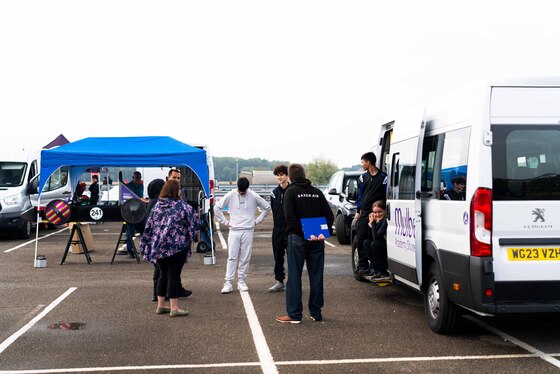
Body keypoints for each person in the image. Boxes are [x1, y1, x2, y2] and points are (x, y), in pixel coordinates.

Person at [275, 163, 334, 324]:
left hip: (298, 239)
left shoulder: (291, 191)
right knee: (316, 276)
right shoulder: (317, 192)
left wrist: (304, 233)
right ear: (304, 174)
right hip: (317, 239)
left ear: (290, 176)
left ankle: (294, 314)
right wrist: (321, 232)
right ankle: (316, 312)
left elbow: (290, 218)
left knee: (294, 276)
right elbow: (330, 216)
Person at [140, 179, 196, 317]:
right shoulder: (182, 207)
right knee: (174, 276)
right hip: (176, 247)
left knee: (163, 275)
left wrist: (147, 244)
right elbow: (194, 222)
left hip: (158, 247)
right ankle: (174, 308)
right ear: (176, 191)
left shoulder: (157, 206)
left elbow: (149, 226)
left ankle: (161, 305)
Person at [214, 177, 271, 294]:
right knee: (232, 257)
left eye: (244, 191)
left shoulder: (254, 195)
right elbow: (217, 207)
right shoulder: (230, 194)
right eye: (240, 191)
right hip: (234, 230)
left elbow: (267, 207)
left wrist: (256, 221)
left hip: (248, 230)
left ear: (247, 188)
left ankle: (241, 281)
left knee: (245, 257)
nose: (242, 193)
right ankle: (228, 283)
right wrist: (225, 222)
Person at [354, 152, 388, 279]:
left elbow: (386, 196)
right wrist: (358, 210)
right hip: (363, 213)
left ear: (369, 162)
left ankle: (375, 267)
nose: (362, 164)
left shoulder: (384, 178)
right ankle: (362, 266)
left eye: (363, 162)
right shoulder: (363, 178)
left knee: (373, 240)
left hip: (376, 213)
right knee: (361, 239)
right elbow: (360, 195)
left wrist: (382, 213)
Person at [269, 164, 290, 292]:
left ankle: (293, 282)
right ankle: (279, 281)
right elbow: (273, 209)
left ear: (287, 176)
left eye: (281, 174)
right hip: (277, 230)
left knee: (292, 257)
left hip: (290, 230)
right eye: (277, 175)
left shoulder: (292, 190)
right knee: (278, 256)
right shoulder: (274, 193)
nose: (279, 177)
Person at [120, 171, 148, 257]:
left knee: (144, 230)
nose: (138, 180)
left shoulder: (141, 186)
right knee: (130, 232)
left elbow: (140, 196)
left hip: (140, 210)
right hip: (131, 212)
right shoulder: (128, 187)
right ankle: (130, 250)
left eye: (139, 178)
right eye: (137, 178)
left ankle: (144, 249)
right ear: (133, 178)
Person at [362, 200, 390, 282]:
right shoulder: (378, 221)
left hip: (386, 247)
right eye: (375, 212)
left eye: (380, 212)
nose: (377, 214)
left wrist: (373, 224)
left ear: (385, 211)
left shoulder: (385, 221)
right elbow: (369, 237)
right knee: (366, 242)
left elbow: (376, 237)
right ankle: (375, 268)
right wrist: (370, 224)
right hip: (380, 245)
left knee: (374, 244)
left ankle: (383, 271)